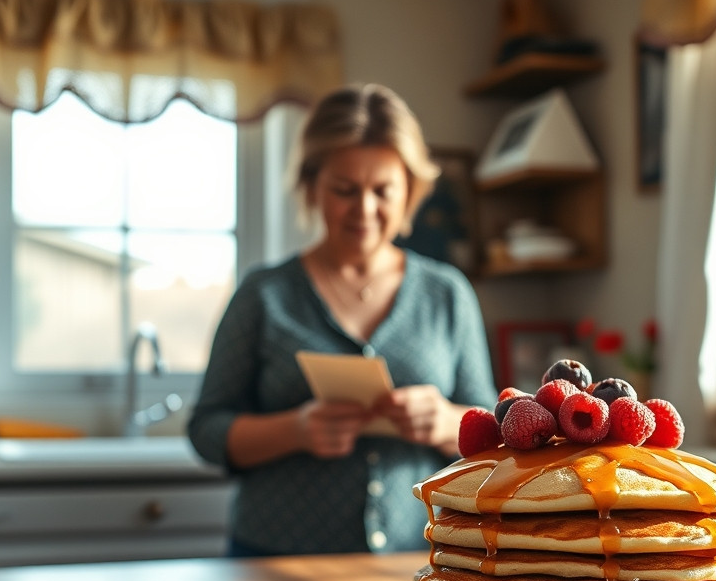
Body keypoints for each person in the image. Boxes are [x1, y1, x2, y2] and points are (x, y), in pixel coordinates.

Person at [187, 83, 497, 556]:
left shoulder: (446, 293)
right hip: (274, 560)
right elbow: (207, 430)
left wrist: (443, 422)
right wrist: (294, 430)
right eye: (344, 190)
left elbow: (493, 435)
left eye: (382, 191)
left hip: (419, 562)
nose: (365, 210)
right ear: (312, 186)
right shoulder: (264, 294)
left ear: (410, 192)